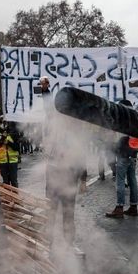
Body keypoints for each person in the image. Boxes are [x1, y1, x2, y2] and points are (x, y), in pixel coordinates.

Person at [41, 77, 87, 248]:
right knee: (51, 210)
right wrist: (45, 90)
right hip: (53, 173)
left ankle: (69, 243)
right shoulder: (55, 120)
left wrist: (82, 180)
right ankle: (49, 243)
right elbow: (48, 109)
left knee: (68, 212)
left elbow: (81, 153)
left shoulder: (77, 127)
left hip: (69, 176)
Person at [106, 100, 138, 218]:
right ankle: (133, 207)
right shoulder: (136, 119)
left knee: (120, 181)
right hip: (133, 154)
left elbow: (117, 137)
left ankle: (119, 207)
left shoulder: (122, 120)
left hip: (123, 154)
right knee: (132, 181)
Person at [0, 122, 20, 188]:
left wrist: (8, 143)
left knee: (14, 181)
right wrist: (2, 137)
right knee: (6, 182)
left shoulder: (14, 132)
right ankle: (7, 197)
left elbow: (17, 147)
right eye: (3, 122)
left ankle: (15, 197)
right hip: (2, 162)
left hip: (12, 161)